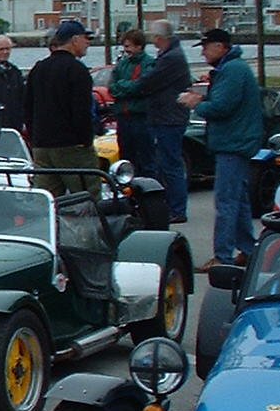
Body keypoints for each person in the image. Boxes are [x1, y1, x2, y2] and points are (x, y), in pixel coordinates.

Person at [180, 28, 263, 271]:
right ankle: (248, 250)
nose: (203, 52)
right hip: (236, 141)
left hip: (233, 143)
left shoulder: (232, 70)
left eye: (206, 47)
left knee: (226, 201)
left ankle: (222, 256)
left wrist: (198, 103)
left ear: (221, 47)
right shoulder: (231, 69)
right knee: (239, 200)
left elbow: (222, 107)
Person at [110, 19, 191, 223]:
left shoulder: (168, 59)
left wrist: (125, 88)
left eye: (155, 37)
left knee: (166, 164)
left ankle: (174, 208)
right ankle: (149, 203)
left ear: (160, 38)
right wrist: (127, 88)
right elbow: (115, 85)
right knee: (150, 161)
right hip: (151, 116)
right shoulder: (166, 57)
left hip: (165, 117)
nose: (154, 41)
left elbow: (146, 83)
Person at [24, 19, 99, 197]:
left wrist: (35, 138)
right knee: (87, 198)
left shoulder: (38, 69)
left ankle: (47, 225)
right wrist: (86, 140)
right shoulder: (77, 70)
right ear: (74, 40)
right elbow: (81, 110)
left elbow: (27, 107)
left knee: (45, 199)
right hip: (71, 146)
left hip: (42, 145)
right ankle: (89, 226)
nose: (88, 43)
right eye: (85, 38)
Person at [108, 28, 154, 179]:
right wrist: (128, 87)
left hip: (141, 118)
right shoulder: (122, 64)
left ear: (139, 46)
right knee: (126, 159)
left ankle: (149, 192)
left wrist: (124, 87)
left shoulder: (149, 63)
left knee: (146, 159)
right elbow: (112, 87)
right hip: (123, 118)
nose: (125, 50)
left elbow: (142, 86)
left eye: (128, 46)